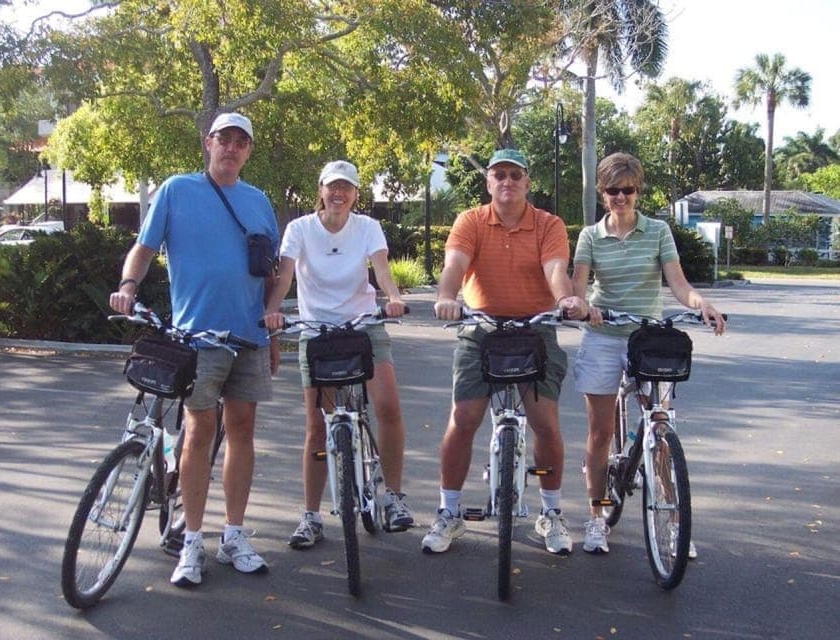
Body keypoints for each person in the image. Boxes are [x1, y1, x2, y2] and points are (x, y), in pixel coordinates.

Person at [109, 112, 280, 587]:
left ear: (248, 151)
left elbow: (269, 274)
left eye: (241, 142)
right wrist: (128, 286)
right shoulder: (176, 190)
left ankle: (234, 536)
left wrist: (272, 335)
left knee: (242, 431)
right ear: (208, 142)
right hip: (198, 338)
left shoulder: (258, 201)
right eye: (224, 139)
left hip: (249, 337)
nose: (231, 148)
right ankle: (190, 541)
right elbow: (144, 248)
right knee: (199, 433)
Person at [423, 148, 588, 556]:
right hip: (482, 328)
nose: (508, 181)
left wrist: (564, 300)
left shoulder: (548, 224)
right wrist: (446, 297)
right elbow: (454, 265)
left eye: (516, 175)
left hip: (535, 328)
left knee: (545, 423)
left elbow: (555, 270)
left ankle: (552, 512)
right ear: (489, 182)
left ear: (527, 182)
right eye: (500, 175)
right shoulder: (471, 221)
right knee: (464, 418)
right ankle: (449, 512)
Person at [572, 151, 726, 556]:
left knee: (660, 424)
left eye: (628, 190)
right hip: (604, 336)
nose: (620, 197)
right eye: (613, 190)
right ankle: (596, 516)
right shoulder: (590, 237)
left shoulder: (657, 231)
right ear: (602, 193)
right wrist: (584, 307)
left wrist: (702, 305)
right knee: (600, 434)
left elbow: (679, 284)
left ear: (638, 191)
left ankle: (675, 524)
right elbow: (577, 290)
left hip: (647, 338)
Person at [263, 160, 414, 549]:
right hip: (317, 332)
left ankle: (393, 497)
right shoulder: (300, 229)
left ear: (355, 194)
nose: (339, 193)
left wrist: (393, 297)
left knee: (388, 407)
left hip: (363, 326)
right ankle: (311, 516)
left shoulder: (367, 227)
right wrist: (272, 312)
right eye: (333, 186)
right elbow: (285, 275)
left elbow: (381, 269)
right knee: (317, 426)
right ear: (321, 190)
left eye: (346, 187)